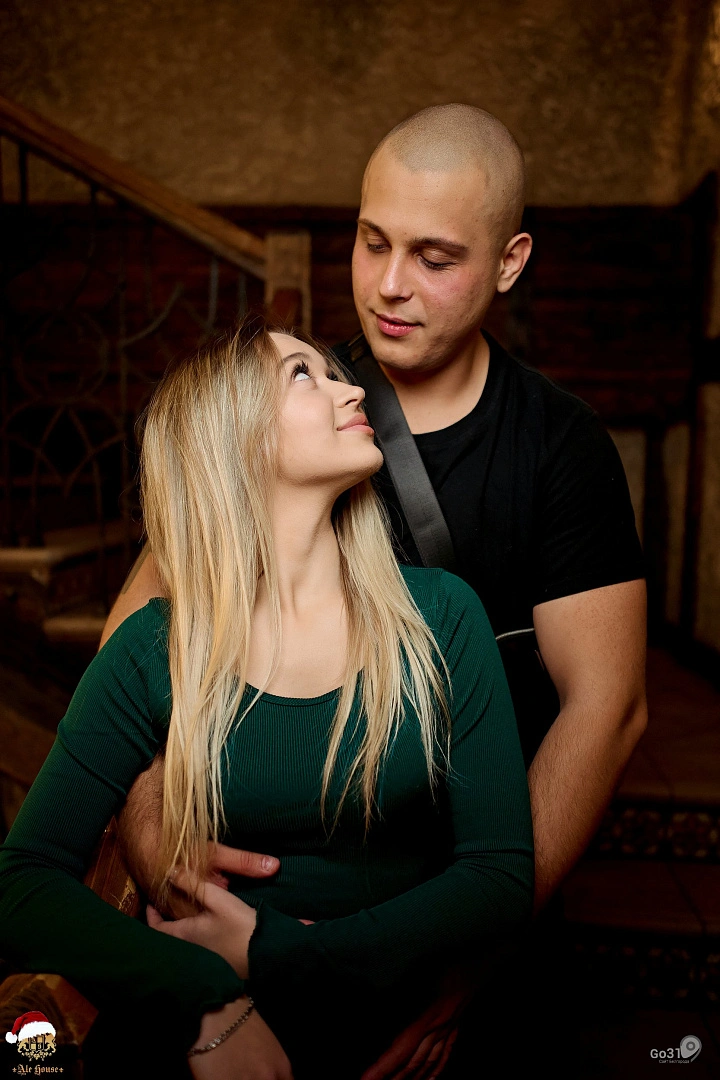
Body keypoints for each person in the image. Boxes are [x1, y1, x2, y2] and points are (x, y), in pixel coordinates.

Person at [103, 105, 648, 1077]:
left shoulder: (561, 447)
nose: (390, 284)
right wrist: (150, 832)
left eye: (435, 257)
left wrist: (468, 960)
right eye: (372, 240)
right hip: (263, 917)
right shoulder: (292, 407)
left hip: (464, 910)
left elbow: (606, 711)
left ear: (511, 262)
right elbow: (132, 646)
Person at [0, 322, 534, 1080]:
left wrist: (276, 953)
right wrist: (205, 996)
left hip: (389, 1045)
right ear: (236, 437)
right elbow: (22, 880)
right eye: (304, 375)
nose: (352, 389)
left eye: (333, 371)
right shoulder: (156, 648)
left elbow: (499, 880)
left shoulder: (441, 615)